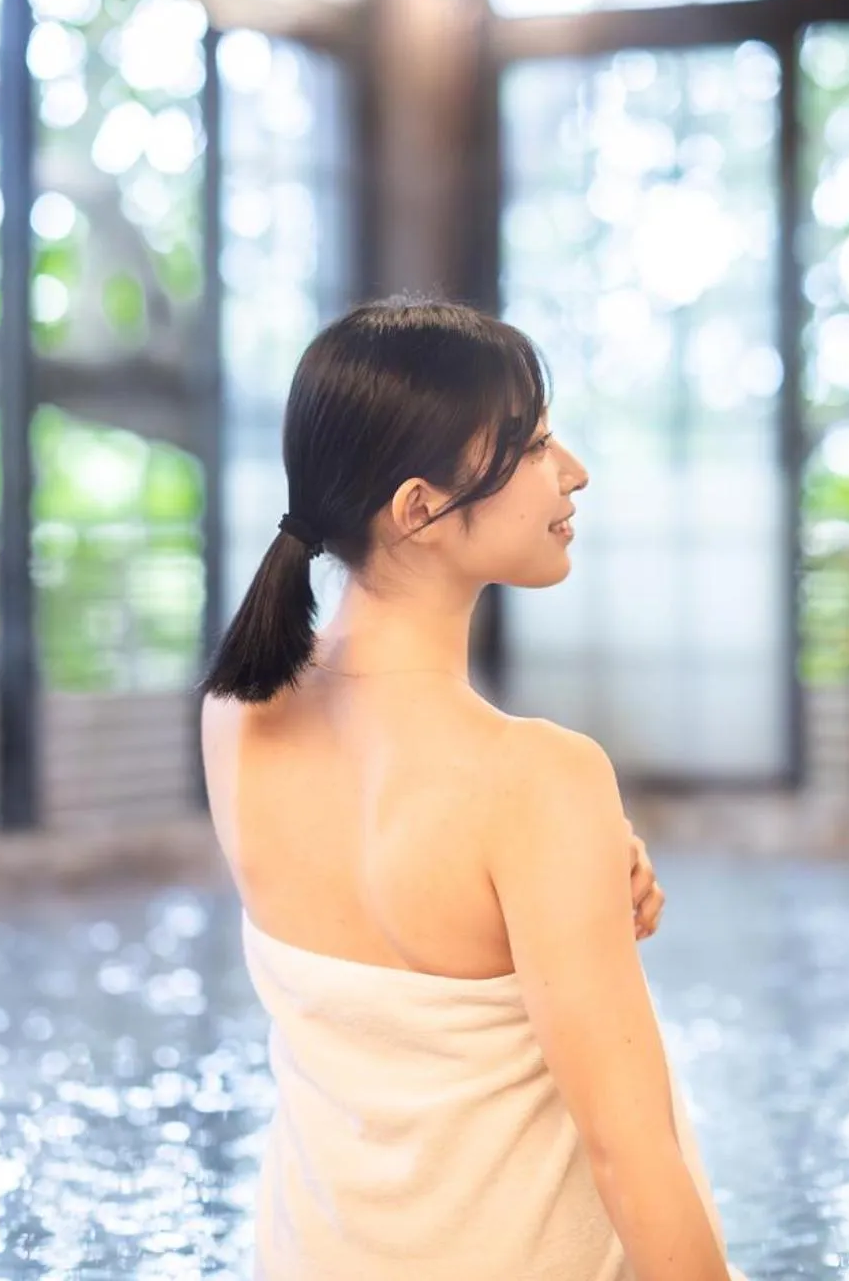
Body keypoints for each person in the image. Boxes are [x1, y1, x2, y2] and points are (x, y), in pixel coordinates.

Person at [200, 297, 743, 1280]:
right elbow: (631, 1159)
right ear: (418, 510)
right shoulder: (538, 779)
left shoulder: (236, 716)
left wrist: (577, 881)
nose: (570, 471)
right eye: (531, 447)